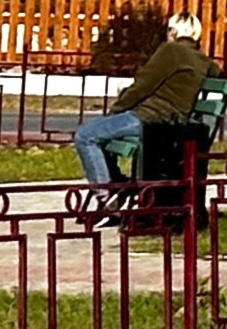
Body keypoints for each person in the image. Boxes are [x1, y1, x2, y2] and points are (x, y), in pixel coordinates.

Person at [74, 15, 212, 196]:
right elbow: (216, 72)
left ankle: (105, 195)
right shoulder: (203, 60)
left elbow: (142, 87)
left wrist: (115, 110)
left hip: (149, 119)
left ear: (173, 32)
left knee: (85, 135)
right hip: (171, 124)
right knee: (100, 131)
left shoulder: (170, 50)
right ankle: (118, 185)